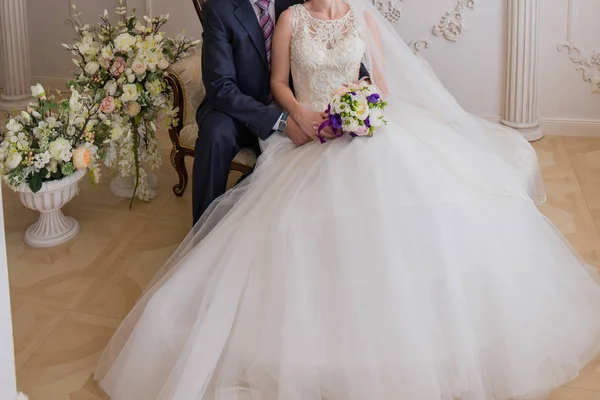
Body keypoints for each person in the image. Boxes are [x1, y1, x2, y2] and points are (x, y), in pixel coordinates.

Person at [95, 0, 600, 398]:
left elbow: (376, 84)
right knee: (285, 207)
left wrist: (363, 113)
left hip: (357, 127)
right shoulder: (280, 15)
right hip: (300, 126)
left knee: (408, 194)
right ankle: (204, 239)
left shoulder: (348, 14)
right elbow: (269, 83)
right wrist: (303, 119)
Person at [192, 0, 370, 224]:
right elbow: (221, 88)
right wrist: (283, 121)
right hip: (239, 108)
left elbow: (335, 42)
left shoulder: (297, 3)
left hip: (294, 101)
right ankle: (203, 229)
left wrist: (361, 82)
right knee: (215, 134)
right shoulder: (220, 9)